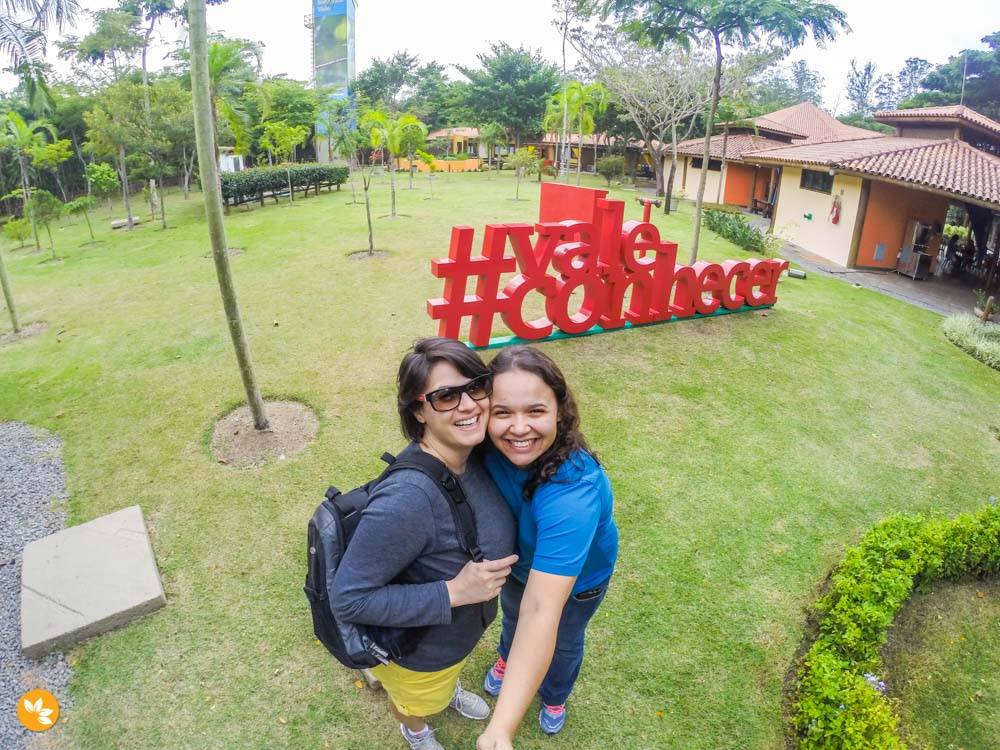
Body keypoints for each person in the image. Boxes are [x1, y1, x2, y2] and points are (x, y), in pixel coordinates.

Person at [331, 337, 518, 750]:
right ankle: (413, 727)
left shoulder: (472, 453)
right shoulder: (410, 499)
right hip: (419, 656)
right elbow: (348, 599)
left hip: (455, 641)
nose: (469, 405)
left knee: (441, 683)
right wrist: (455, 591)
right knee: (414, 700)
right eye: (446, 396)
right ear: (418, 410)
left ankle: (446, 690)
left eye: (476, 386)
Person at [476, 346, 619, 750]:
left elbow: (542, 611)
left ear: (560, 410)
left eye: (535, 411)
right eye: (502, 412)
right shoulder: (487, 449)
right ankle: (508, 660)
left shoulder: (574, 492)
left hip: (579, 582)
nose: (518, 428)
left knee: (563, 636)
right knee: (512, 616)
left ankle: (554, 696)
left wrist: (500, 730)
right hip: (520, 567)